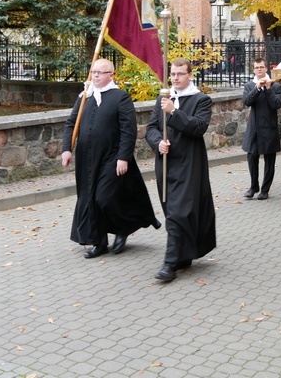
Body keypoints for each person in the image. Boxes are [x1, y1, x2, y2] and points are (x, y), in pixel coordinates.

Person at [61, 59, 160, 259]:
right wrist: (66, 149)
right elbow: (71, 124)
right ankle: (99, 243)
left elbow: (128, 130)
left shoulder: (120, 98)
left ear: (111, 75)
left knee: (103, 198)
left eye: (100, 72)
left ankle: (123, 228)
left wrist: (123, 157)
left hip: (111, 157)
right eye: (93, 72)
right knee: (88, 199)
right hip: (86, 159)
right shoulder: (84, 97)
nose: (95, 76)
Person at [146, 58, 216, 282]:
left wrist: (174, 112)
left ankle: (169, 264)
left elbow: (198, 128)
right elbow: (150, 129)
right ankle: (182, 254)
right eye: (173, 74)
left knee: (179, 212)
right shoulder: (162, 98)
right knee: (170, 209)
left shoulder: (201, 100)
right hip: (166, 163)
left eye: (180, 74)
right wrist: (158, 142)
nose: (175, 78)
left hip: (189, 164)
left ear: (190, 75)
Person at [242, 58, 281, 200]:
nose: (259, 69)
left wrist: (268, 89)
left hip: (269, 127)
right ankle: (254, 186)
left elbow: (276, 104)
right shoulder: (249, 85)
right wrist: (257, 88)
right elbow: (247, 101)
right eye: (256, 68)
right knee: (252, 156)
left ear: (266, 69)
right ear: (254, 70)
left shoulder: (275, 86)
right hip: (254, 128)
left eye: (261, 67)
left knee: (269, 159)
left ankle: (265, 189)